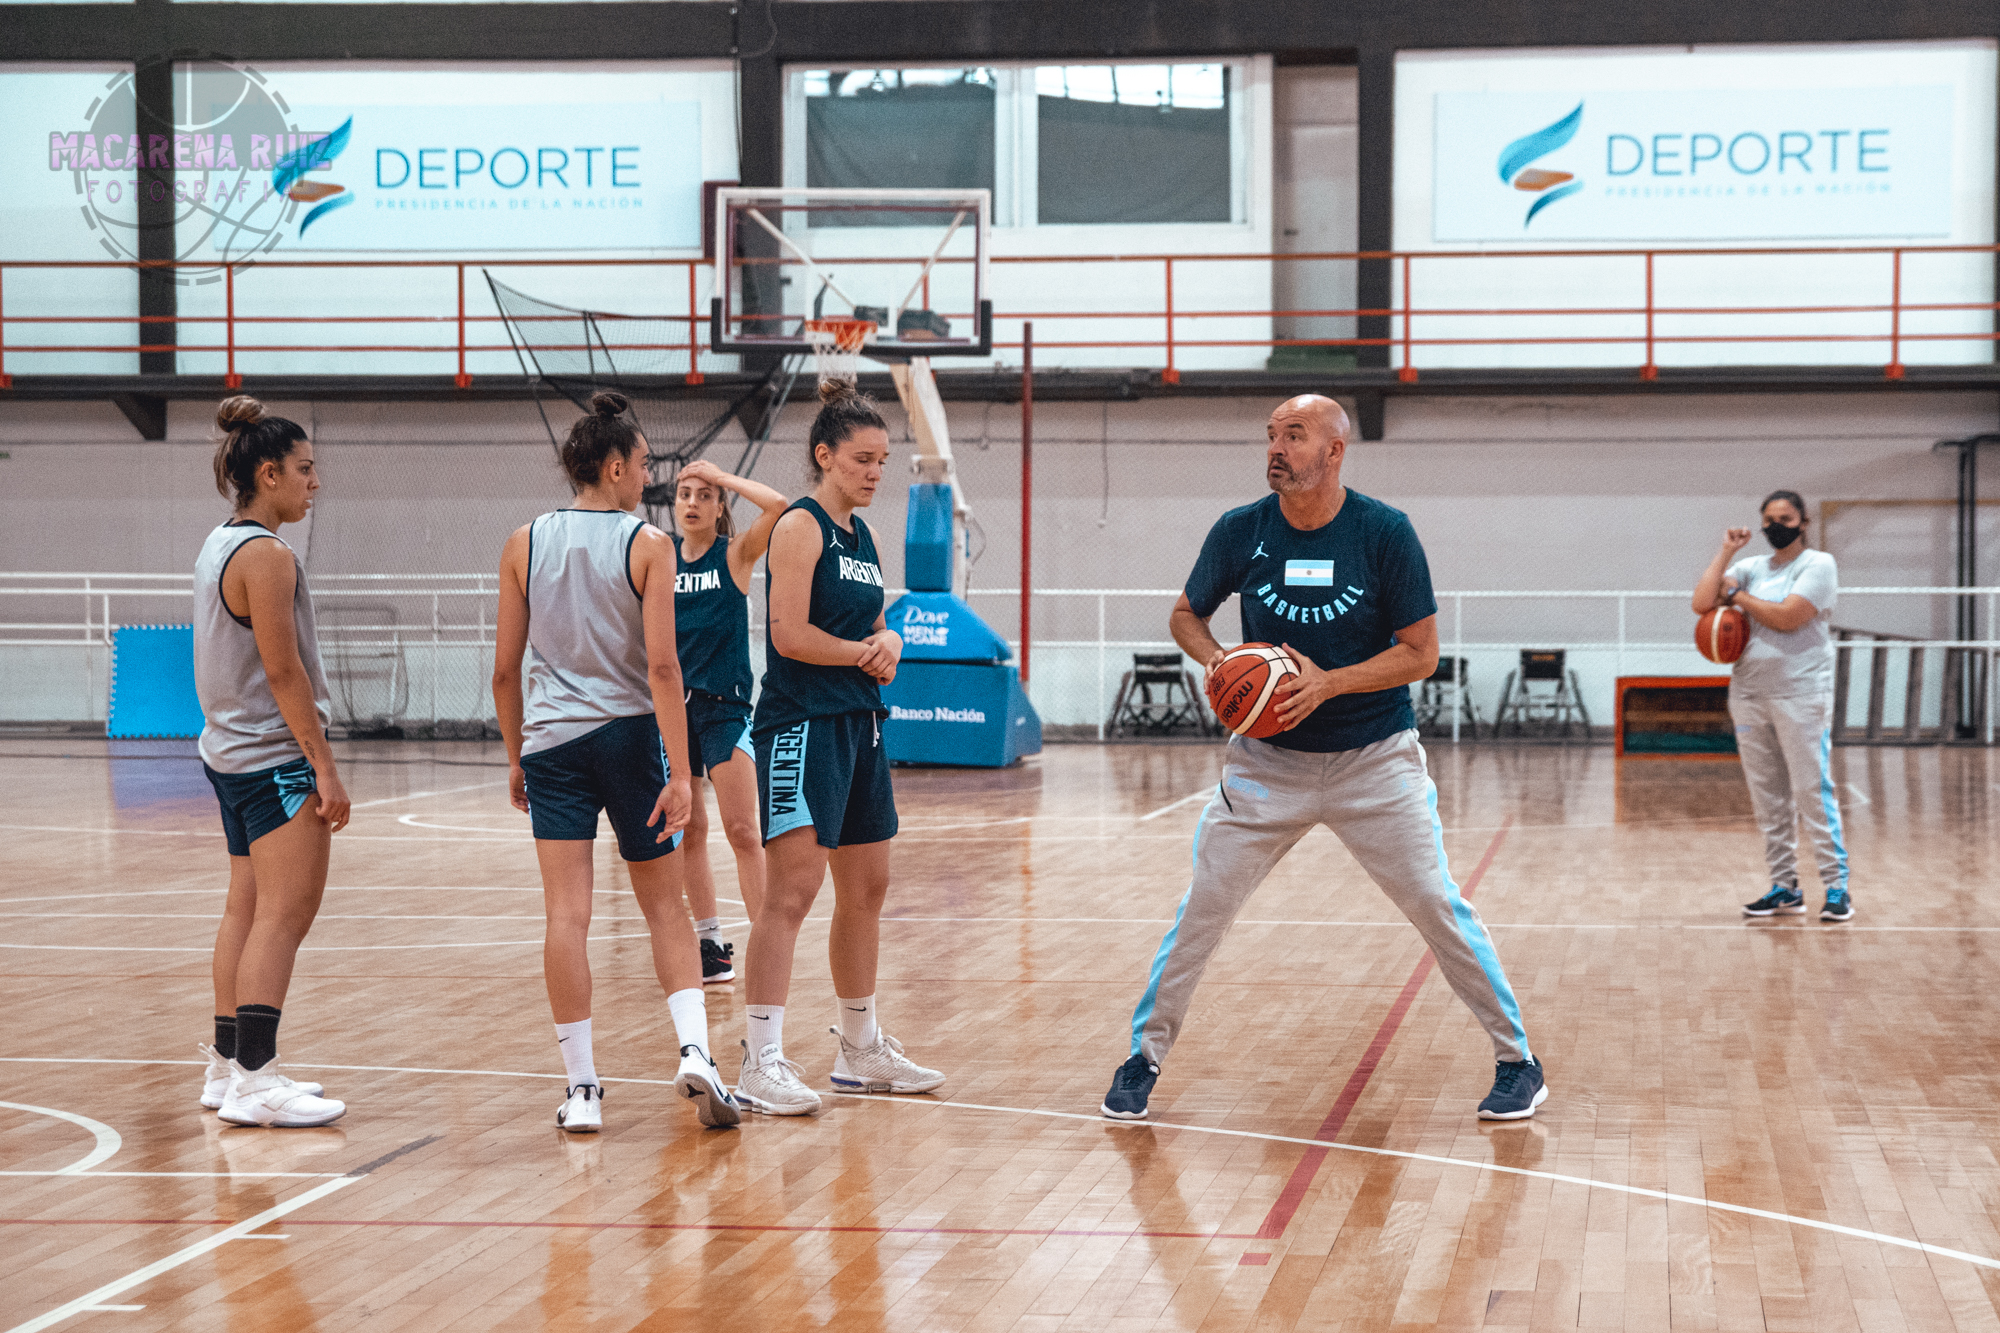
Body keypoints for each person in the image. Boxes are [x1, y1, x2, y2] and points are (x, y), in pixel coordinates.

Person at [1100, 394, 1547, 1123]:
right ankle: (1143, 1055)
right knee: (1203, 908)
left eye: (1294, 435)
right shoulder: (1241, 530)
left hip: (1374, 760)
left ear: (1334, 450)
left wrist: (1328, 682)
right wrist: (1218, 661)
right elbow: (1186, 613)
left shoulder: (1383, 533)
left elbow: (1420, 654)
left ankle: (1517, 1059)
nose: (1276, 447)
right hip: (1266, 765)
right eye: (1271, 434)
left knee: (1437, 904)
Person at [492, 392, 739, 1132]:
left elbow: (505, 671)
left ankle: (582, 1090)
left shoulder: (522, 541)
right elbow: (663, 668)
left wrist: (516, 756)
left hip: (551, 744)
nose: (646, 478)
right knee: (665, 905)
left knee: (566, 916)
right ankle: (696, 1048)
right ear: (612, 465)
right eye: (640, 465)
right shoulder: (648, 545)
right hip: (630, 736)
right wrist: (676, 770)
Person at [732, 379, 945, 1116]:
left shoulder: (866, 537)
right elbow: (788, 634)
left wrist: (887, 639)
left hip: (860, 721)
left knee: (868, 888)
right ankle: (760, 1058)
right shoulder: (800, 526)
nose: (875, 472)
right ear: (824, 456)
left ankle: (859, 1048)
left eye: (883, 460)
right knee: (789, 892)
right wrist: (863, 653)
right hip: (800, 723)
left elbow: (877, 621)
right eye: (862, 459)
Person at [194, 395, 348, 1128]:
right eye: (305, 469)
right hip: (273, 757)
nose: (315, 482)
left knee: (245, 906)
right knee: (284, 915)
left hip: (227, 753)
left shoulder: (216, 543)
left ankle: (227, 1066)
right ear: (269, 473)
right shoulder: (268, 556)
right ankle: (257, 1077)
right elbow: (285, 674)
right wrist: (323, 763)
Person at [1692, 490, 1850, 921]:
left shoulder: (1818, 564)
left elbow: (1788, 616)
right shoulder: (1748, 567)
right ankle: (1785, 887)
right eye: (1769, 519)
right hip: (1748, 693)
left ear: (1803, 522)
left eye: (1785, 517)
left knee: (1811, 791)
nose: (1775, 525)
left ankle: (1837, 888)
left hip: (1801, 693)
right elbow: (1702, 603)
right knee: (1769, 797)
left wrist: (1739, 598)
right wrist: (1726, 552)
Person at [671, 458, 788, 982]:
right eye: (684, 494)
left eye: (703, 495)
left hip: (724, 709)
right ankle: (710, 946)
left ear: (719, 508)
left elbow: (779, 507)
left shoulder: (734, 555)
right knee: (689, 831)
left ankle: (767, 945)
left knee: (743, 829)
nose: (692, 503)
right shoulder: (659, 558)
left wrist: (723, 477)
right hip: (673, 712)